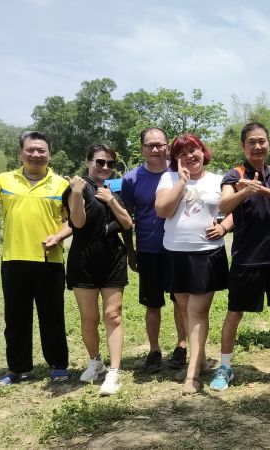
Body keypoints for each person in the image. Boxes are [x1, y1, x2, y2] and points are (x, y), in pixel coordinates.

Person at [0, 131, 71, 385]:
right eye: (30, 150)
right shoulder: (3, 180)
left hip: (50, 260)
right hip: (13, 259)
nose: (36, 155)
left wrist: (58, 237)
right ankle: (17, 368)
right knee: (15, 317)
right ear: (20, 154)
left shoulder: (61, 185)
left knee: (53, 316)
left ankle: (58, 365)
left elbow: (73, 221)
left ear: (49, 154)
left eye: (41, 150)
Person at [209, 122, 270, 391]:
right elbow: (224, 204)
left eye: (262, 141)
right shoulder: (234, 174)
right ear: (243, 146)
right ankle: (225, 367)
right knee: (234, 313)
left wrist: (261, 189)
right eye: (252, 141)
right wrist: (245, 190)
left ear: (267, 143)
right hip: (245, 257)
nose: (258, 146)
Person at [155, 134, 232, 394]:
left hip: (207, 254)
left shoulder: (218, 179)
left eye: (194, 150)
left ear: (203, 152)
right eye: (182, 153)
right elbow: (162, 210)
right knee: (186, 310)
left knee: (197, 312)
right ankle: (199, 360)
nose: (190, 156)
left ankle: (192, 374)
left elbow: (235, 210)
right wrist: (182, 182)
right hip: (175, 253)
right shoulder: (169, 179)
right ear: (176, 159)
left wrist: (224, 226)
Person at [63, 144, 133, 395]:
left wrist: (111, 200)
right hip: (84, 258)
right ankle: (96, 362)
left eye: (110, 164)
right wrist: (77, 194)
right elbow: (78, 222)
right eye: (100, 162)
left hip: (112, 256)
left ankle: (114, 372)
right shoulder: (74, 188)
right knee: (89, 318)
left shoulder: (112, 190)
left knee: (113, 315)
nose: (105, 167)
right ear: (88, 161)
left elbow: (127, 223)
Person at [120, 128, 188, 374]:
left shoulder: (179, 172)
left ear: (168, 146)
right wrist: (131, 250)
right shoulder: (131, 179)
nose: (156, 149)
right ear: (142, 149)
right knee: (153, 305)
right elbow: (126, 218)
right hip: (148, 249)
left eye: (161, 144)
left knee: (181, 302)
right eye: (151, 145)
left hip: (178, 247)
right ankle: (154, 350)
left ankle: (181, 346)